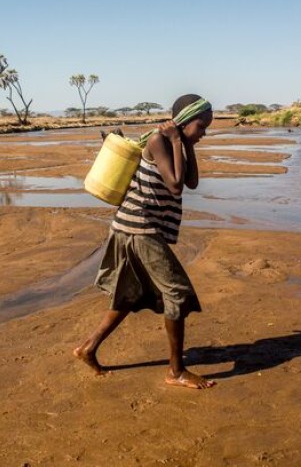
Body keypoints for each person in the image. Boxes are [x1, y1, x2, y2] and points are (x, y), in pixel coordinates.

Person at [74, 94, 216, 389]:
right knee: (177, 294)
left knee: (130, 294)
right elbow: (175, 186)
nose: (204, 133)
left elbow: (191, 181)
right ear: (186, 121)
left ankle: (87, 349)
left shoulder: (177, 141)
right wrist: (178, 141)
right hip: (140, 229)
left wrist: (187, 143)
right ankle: (175, 371)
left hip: (136, 228)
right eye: (201, 127)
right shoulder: (158, 141)